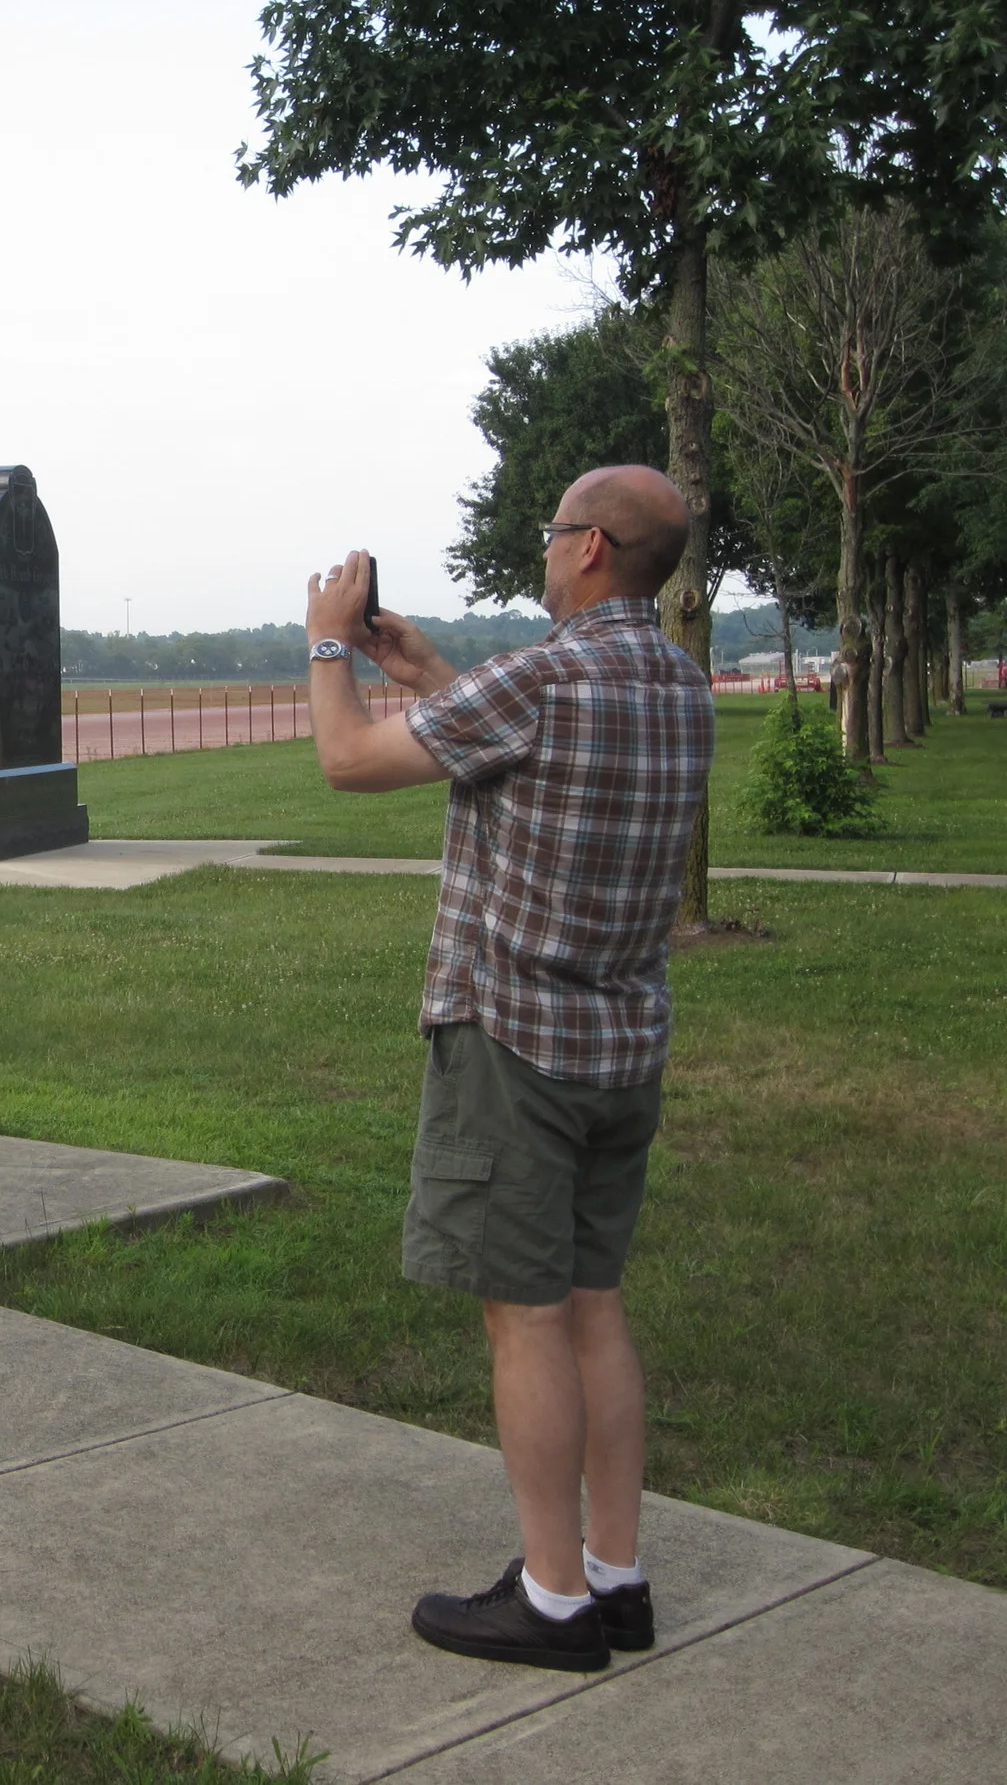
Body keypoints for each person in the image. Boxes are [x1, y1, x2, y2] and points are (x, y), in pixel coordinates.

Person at [300, 465, 713, 1673]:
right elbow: (520, 745)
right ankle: (613, 1577)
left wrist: (330, 649)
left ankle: (547, 1600)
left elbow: (346, 763)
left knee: (522, 1316)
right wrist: (424, 673)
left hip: (513, 1046)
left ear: (588, 550)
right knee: (593, 1304)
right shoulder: (677, 686)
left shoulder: (546, 677)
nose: (544, 550)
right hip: (621, 1045)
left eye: (552, 534)